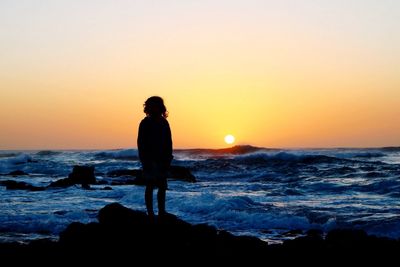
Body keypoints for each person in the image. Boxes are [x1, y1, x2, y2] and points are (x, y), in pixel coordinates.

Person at [137, 96, 173, 219]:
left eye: (157, 105)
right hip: (149, 159)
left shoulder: (164, 122)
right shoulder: (145, 123)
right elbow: (141, 143)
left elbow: (169, 142)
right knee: (151, 185)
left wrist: (169, 157)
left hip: (163, 158)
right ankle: (150, 212)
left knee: (162, 186)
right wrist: (145, 160)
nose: (155, 108)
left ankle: (161, 212)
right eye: (152, 105)